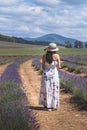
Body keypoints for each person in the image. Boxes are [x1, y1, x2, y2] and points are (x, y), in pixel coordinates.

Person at [39, 43, 61, 111]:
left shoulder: (44, 56)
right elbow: (59, 67)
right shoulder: (57, 56)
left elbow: (43, 67)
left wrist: (47, 70)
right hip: (54, 74)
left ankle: (46, 106)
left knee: (46, 89)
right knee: (54, 89)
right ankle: (52, 105)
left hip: (46, 74)